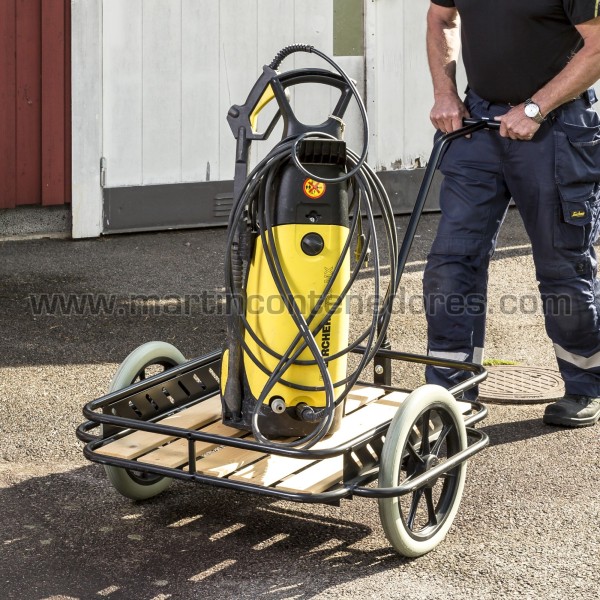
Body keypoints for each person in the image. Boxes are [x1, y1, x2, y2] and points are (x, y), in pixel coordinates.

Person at [424, 1, 600, 426]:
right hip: (478, 121)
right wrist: (445, 93)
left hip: (556, 123)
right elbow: (440, 17)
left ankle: (586, 384)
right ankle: (453, 390)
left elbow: (597, 46)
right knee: (452, 261)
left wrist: (536, 108)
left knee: (562, 266)